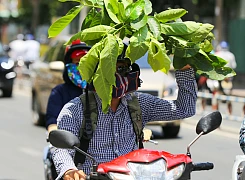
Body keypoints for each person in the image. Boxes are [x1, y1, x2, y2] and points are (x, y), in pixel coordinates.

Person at [52, 44, 198, 180]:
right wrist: (69, 170)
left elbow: (184, 109)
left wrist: (184, 69)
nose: (116, 76)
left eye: (121, 68)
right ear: (97, 73)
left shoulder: (139, 103)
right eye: (109, 69)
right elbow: (61, 149)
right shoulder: (75, 109)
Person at [44, 39, 90, 180]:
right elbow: (52, 122)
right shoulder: (59, 92)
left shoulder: (102, 93)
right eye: (77, 63)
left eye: (86, 63)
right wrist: (55, 135)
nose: (81, 67)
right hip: (68, 148)